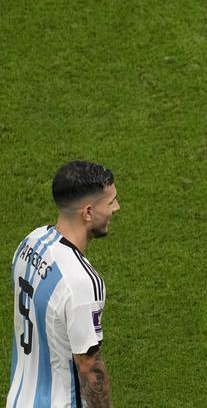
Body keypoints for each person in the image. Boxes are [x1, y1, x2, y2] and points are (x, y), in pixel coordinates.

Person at [7, 160, 119, 407]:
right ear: (88, 212)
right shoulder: (81, 282)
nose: (116, 208)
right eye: (111, 202)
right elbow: (90, 367)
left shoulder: (30, 243)